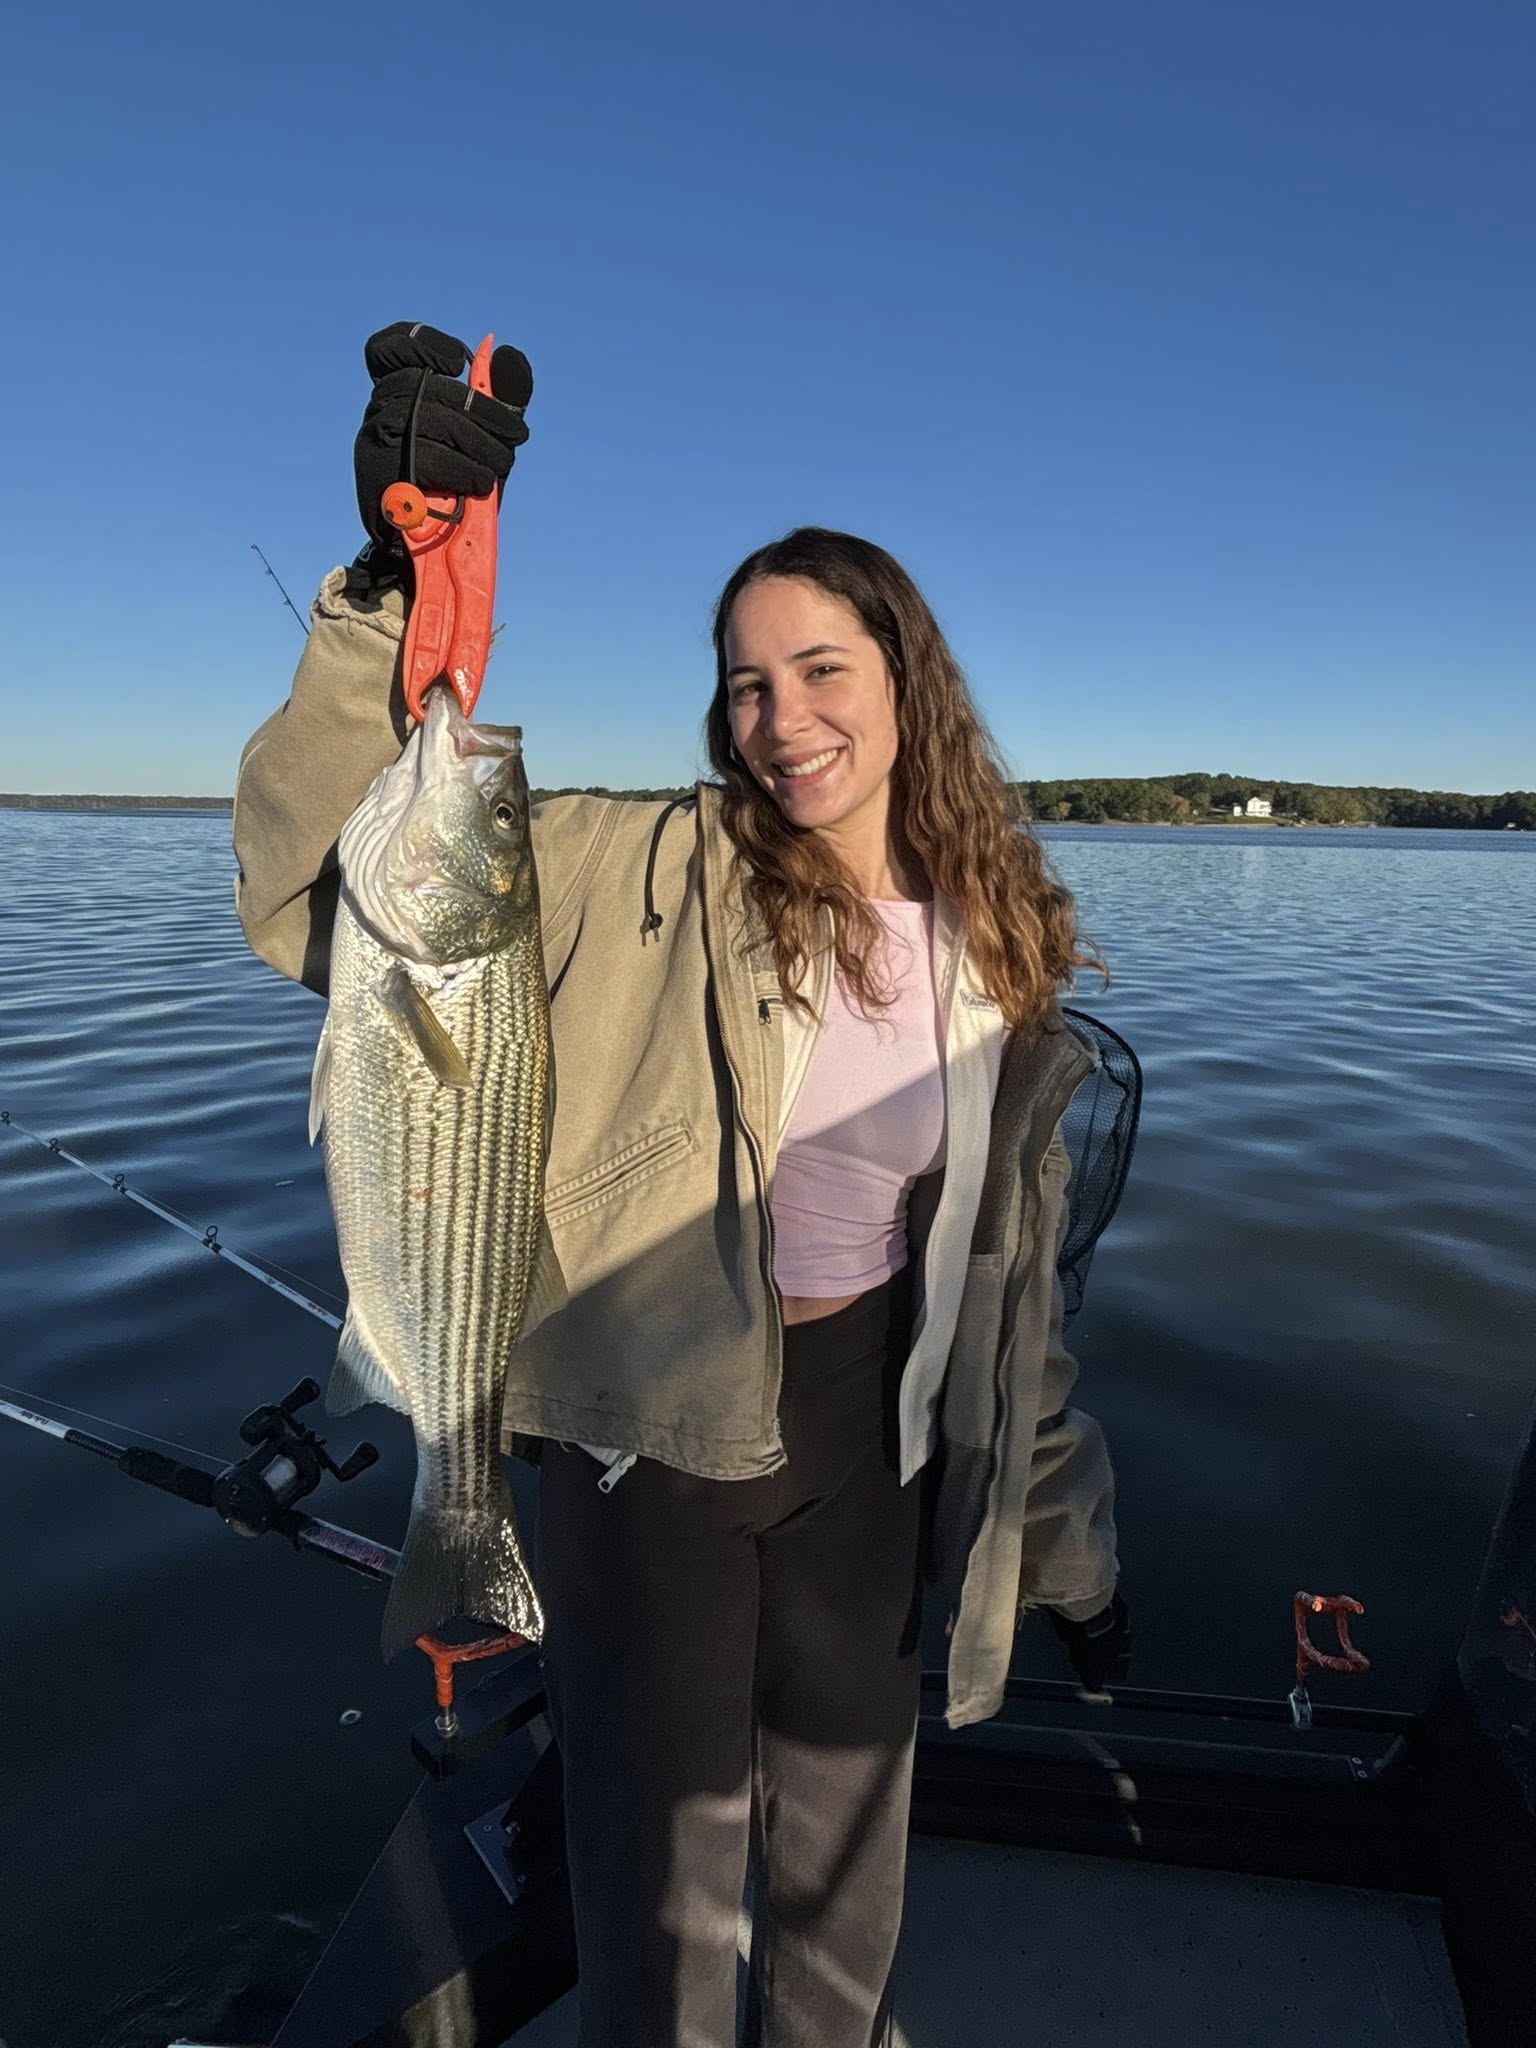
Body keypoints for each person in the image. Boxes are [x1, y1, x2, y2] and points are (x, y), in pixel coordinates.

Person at [233, 321, 1129, 2048]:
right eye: (743, 683)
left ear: (904, 679)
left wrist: (1070, 1551)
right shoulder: (642, 866)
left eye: (820, 672)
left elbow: (1014, 1306)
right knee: (658, 1874)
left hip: (877, 1434)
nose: (778, 721)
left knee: (845, 1858)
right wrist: (378, 594)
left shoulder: (998, 951)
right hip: (648, 1432)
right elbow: (320, 890)